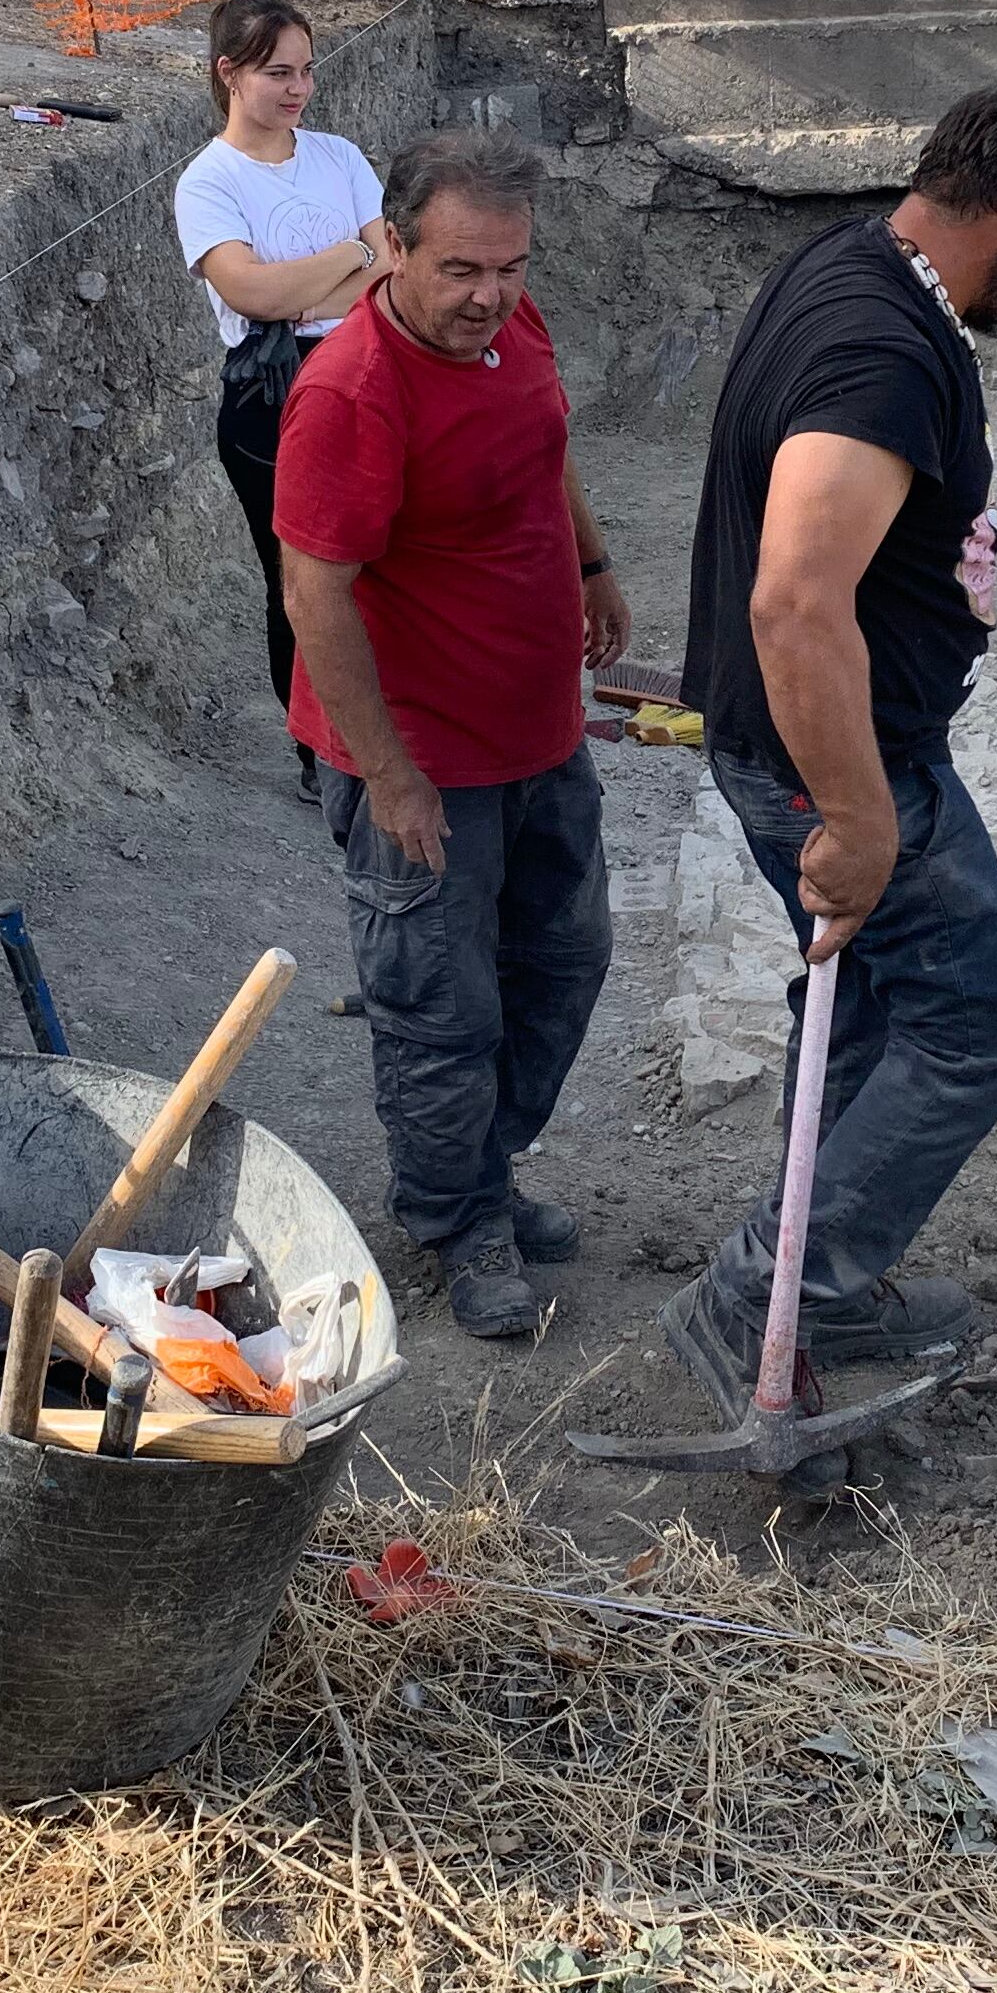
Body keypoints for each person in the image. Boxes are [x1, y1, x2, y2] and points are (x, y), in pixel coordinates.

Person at [658, 80, 997, 1459]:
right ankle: (763, 1301)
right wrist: (855, 815)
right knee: (976, 1025)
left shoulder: (859, 268)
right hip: (832, 759)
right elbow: (795, 603)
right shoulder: (880, 350)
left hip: (825, 740)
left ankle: (819, 1294)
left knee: (861, 1022)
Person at [276, 129, 632, 1339]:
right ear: (393, 247)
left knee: (564, 960)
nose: (489, 296)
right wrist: (389, 774)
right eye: (463, 270)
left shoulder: (507, 328)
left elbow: (547, 440)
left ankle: (483, 1164)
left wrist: (590, 561)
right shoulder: (352, 393)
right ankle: (457, 1219)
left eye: (512, 269)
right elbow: (313, 593)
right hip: (423, 760)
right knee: (438, 1004)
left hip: (539, 732)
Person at [173, 0, 394, 803]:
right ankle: (318, 752)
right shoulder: (208, 181)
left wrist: (305, 289)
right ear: (229, 74)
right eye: (277, 73)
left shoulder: (338, 156)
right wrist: (345, 259)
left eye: (305, 70)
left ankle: (386, 729)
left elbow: (394, 272)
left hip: (369, 375)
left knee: (385, 561)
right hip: (274, 393)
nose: (298, 89)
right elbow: (251, 294)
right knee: (300, 577)